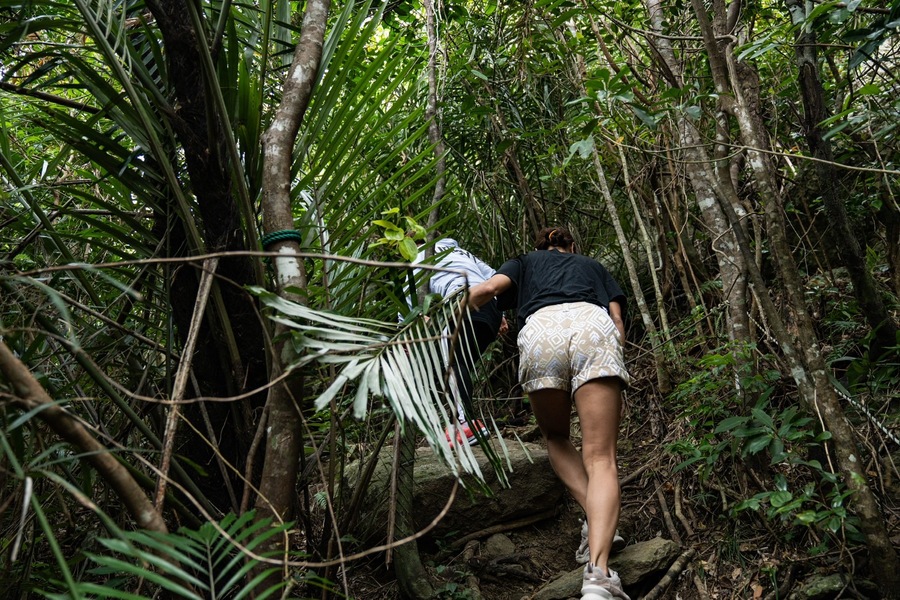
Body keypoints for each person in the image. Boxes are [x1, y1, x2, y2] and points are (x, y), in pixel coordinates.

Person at [467, 226, 630, 600]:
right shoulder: (591, 264)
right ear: (572, 245)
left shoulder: (524, 262)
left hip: (542, 333)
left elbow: (489, 290)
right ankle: (599, 578)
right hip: (593, 327)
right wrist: (612, 349)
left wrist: (444, 312)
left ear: (540, 246)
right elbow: (617, 320)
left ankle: (594, 522)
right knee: (601, 456)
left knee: (557, 438)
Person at [415, 238, 508, 446]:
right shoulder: (463, 252)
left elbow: (411, 295)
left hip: (461, 301)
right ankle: (461, 422)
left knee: (453, 362)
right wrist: (500, 313)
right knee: (461, 363)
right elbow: (495, 276)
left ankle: (466, 424)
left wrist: (410, 321)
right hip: (489, 308)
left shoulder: (419, 254)